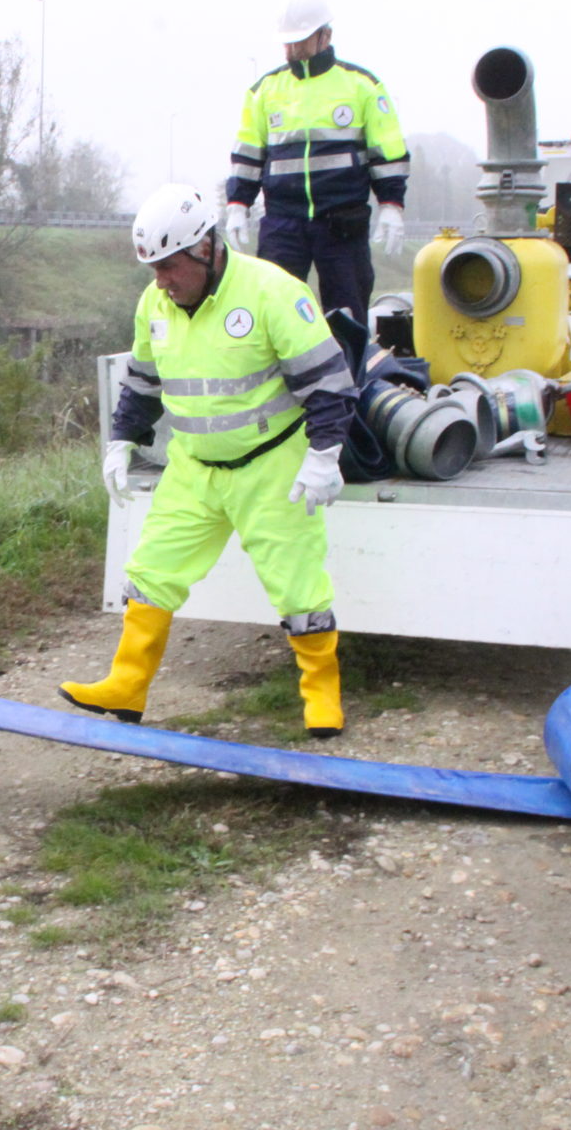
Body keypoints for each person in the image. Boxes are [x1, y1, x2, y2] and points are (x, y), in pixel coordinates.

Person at [60, 184, 358, 736]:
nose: (162, 282)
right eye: (152, 270)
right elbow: (144, 381)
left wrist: (324, 455)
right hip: (194, 468)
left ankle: (322, 696)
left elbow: (329, 384)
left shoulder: (272, 292)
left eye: (170, 267)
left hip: (272, 463)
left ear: (206, 249)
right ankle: (126, 686)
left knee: (297, 585)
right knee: (151, 572)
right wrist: (122, 438)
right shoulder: (156, 303)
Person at [224, 0, 410, 324]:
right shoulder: (263, 91)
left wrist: (391, 206)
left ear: (325, 35)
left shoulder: (362, 86)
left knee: (347, 316)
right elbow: (249, 154)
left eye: (300, 40)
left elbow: (388, 153)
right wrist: (238, 203)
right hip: (283, 222)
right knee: (274, 311)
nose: (292, 50)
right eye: (287, 43)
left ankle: (348, 375)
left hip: (342, 223)